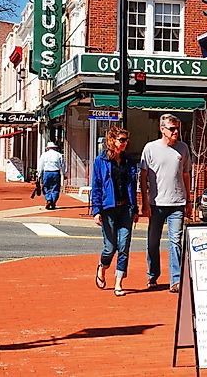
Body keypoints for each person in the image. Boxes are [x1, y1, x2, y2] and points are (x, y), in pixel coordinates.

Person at [140, 113, 193, 293]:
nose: (176, 131)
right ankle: (152, 275)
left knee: (175, 241)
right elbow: (144, 175)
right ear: (162, 129)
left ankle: (175, 280)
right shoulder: (150, 148)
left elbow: (186, 174)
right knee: (152, 241)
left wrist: (188, 200)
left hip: (177, 203)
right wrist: (145, 202)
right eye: (172, 128)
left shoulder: (183, 149)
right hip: (156, 203)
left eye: (177, 128)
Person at [92, 126, 138, 297]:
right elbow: (96, 186)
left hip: (126, 208)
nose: (125, 143)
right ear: (112, 140)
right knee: (110, 248)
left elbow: (132, 186)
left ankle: (119, 282)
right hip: (108, 209)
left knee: (124, 246)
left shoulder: (128, 161)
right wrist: (96, 210)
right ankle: (102, 267)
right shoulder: (101, 161)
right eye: (122, 140)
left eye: (126, 140)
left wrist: (135, 209)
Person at [38, 141, 66, 210]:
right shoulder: (59, 155)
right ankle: (53, 201)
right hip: (55, 172)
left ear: (47, 148)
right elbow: (62, 165)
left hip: (47, 172)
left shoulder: (44, 155)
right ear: (54, 148)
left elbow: (41, 165)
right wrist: (64, 173)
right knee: (55, 188)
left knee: (45, 187)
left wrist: (39, 174)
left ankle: (49, 199)